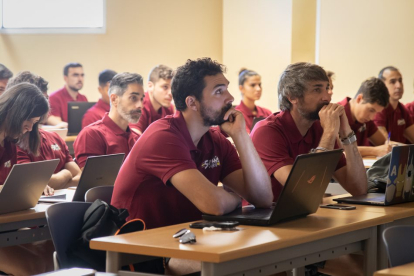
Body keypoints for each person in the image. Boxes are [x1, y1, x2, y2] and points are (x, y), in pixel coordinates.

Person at [112, 58, 273, 275]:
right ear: (192, 102)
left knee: (261, 258)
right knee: (238, 266)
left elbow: (263, 197)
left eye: (227, 89)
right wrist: (237, 198)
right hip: (144, 252)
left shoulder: (215, 139)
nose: (230, 98)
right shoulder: (163, 137)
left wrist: (241, 135)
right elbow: (213, 205)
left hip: (187, 240)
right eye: (219, 91)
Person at [251, 62, 366, 276]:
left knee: (367, 264)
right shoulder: (267, 131)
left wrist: (346, 133)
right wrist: (330, 132)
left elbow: (359, 188)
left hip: (305, 225)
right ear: (292, 96)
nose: (327, 97)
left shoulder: (319, 130)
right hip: (266, 229)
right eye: (317, 89)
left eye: (327, 88)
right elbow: (302, 190)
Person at [0, 83, 55, 275]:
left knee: (50, 253)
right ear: (16, 111)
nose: (30, 128)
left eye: (35, 122)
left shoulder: (9, 143)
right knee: (33, 266)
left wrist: (28, 187)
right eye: (29, 121)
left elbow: (8, 185)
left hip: (5, 224)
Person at [7, 71, 81, 189]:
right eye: (40, 100)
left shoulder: (54, 137)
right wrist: (66, 174)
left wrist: (58, 180)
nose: (45, 106)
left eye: (46, 99)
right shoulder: (14, 141)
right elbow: (33, 184)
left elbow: (78, 176)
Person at [74, 72, 143, 169]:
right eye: (133, 98)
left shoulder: (138, 138)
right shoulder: (92, 134)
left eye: (142, 99)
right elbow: (92, 182)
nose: (140, 105)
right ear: (114, 99)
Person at [338, 77, 391, 157]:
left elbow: (382, 142)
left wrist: (390, 146)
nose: (372, 117)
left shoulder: (366, 119)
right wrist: (374, 151)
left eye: (376, 112)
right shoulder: (336, 114)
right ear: (359, 99)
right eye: (371, 110)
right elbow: (339, 150)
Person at [129, 64, 174, 134]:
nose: (171, 93)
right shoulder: (138, 106)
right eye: (165, 87)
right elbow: (135, 140)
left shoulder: (169, 108)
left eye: (173, 88)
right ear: (150, 86)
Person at [374, 66, 414, 143]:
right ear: (382, 85)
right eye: (392, 82)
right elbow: (385, 143)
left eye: (400, 80)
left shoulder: (402, 109)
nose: (399, 86)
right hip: (380, 155)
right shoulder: (378, 109)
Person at [235, 68, 272, 133]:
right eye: (253, 85)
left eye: (259, 85)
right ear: (241, 88)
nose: (258, 89)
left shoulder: (267, 113)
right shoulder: (235, 115)